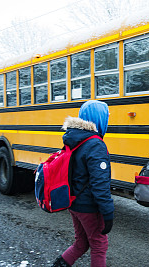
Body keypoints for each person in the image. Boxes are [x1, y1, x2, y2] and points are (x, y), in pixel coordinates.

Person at [52, 100, 114, 267]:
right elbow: (99, 184)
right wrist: (108, 212)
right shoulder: (95, 144)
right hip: (88, 205)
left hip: (73, 201)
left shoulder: (74, 138)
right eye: (106, 116)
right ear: (98, 118)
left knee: (81, 243)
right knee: (99, 245)